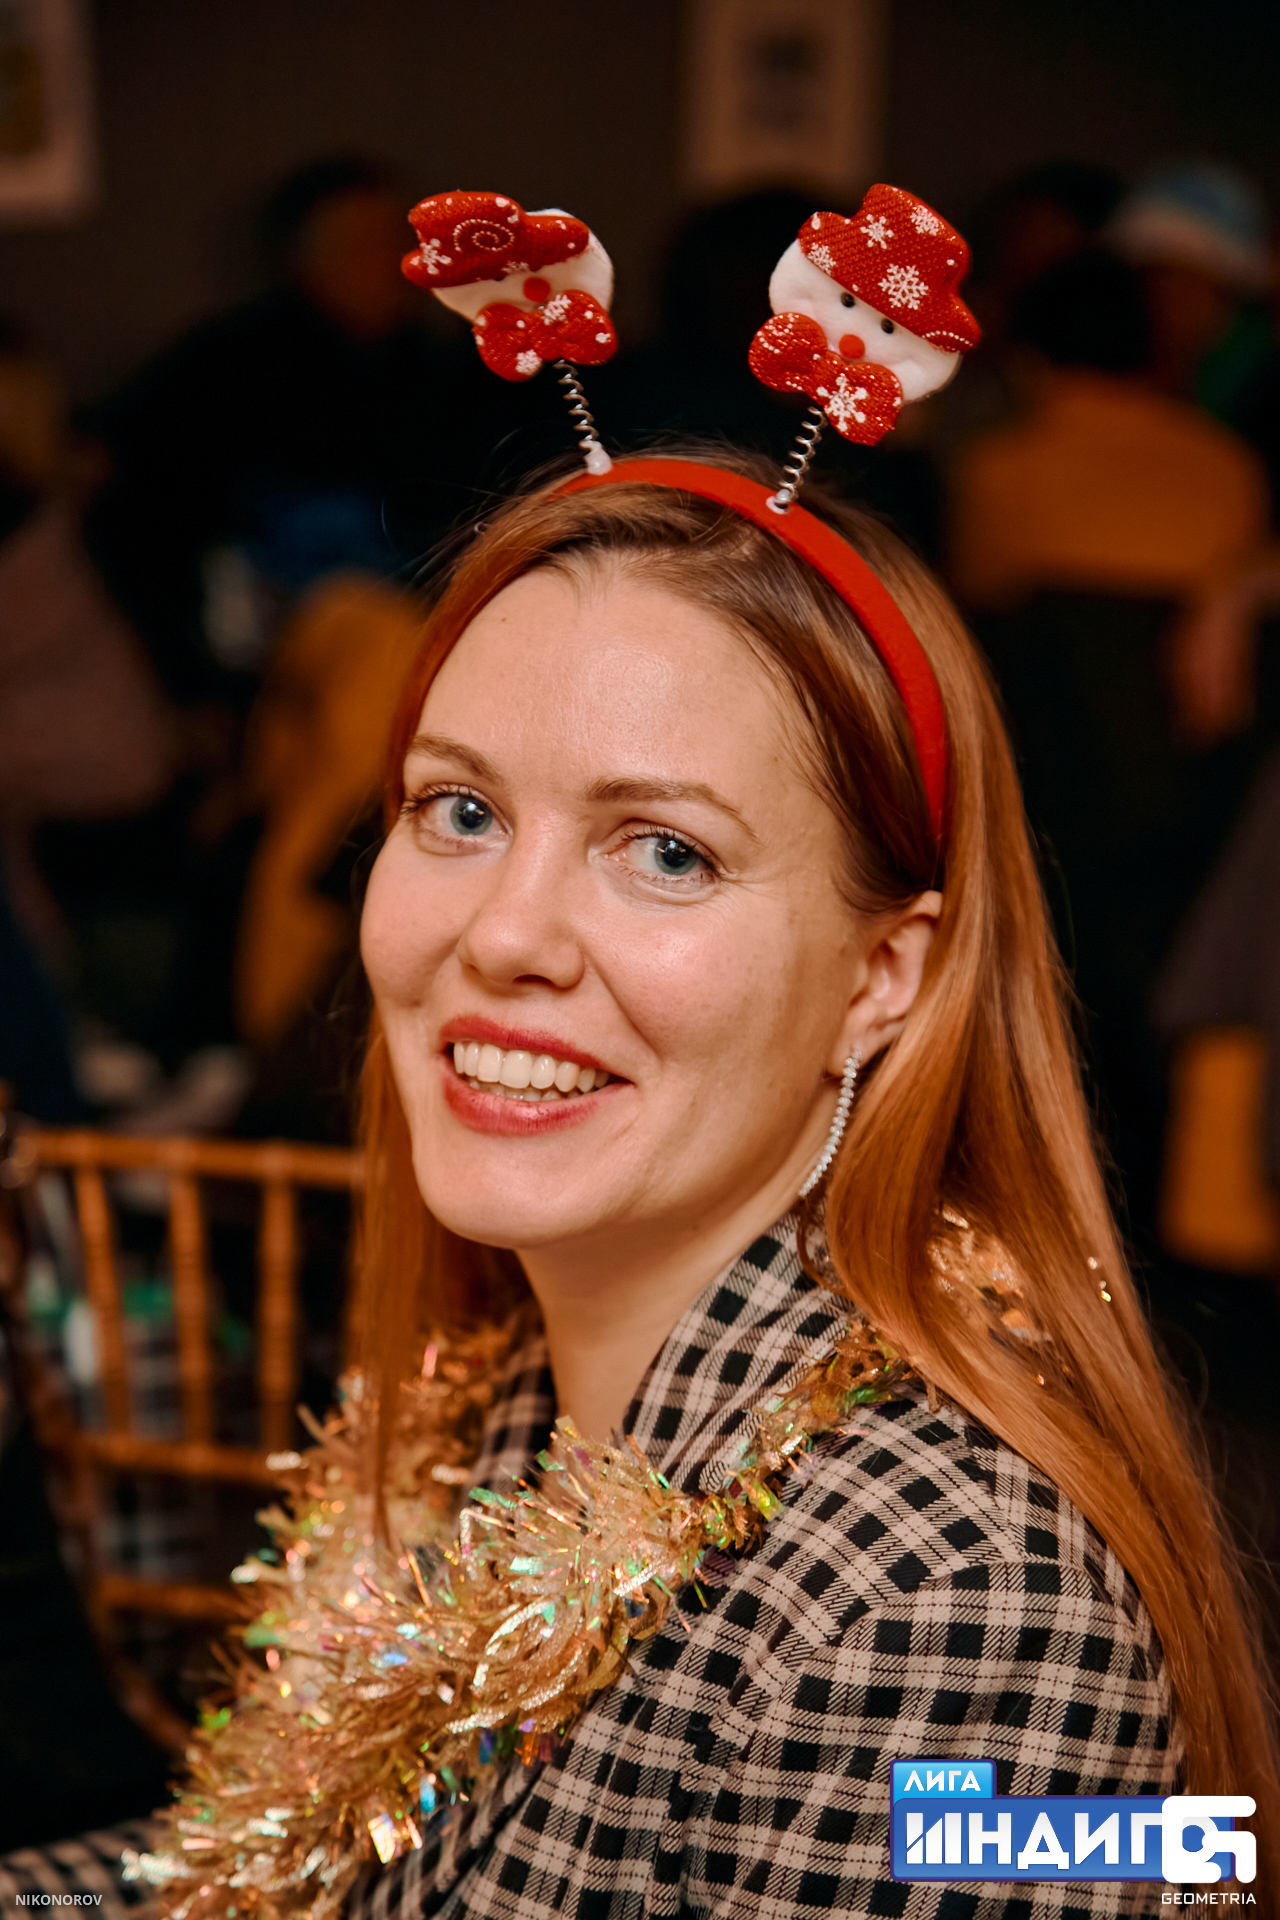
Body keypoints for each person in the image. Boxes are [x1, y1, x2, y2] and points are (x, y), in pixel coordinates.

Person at [96, 446, 1273, 1920]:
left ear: (880, 977)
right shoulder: (500, 1392)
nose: (504, 934)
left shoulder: (952, 1604)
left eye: (664, 851)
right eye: (459, 811)